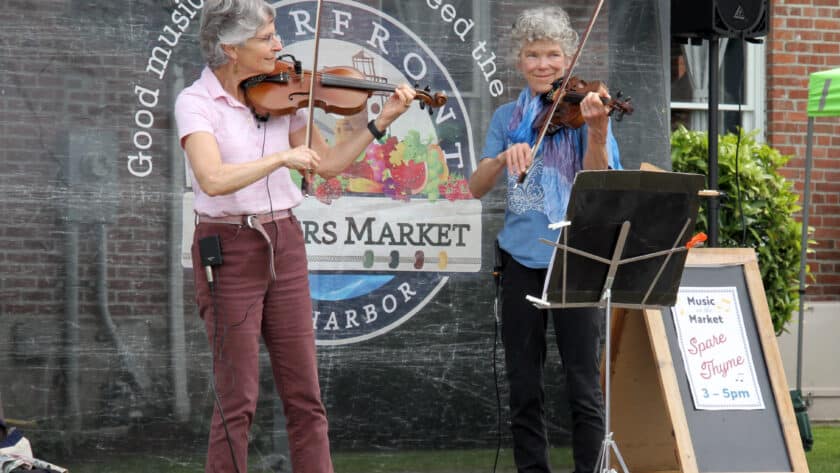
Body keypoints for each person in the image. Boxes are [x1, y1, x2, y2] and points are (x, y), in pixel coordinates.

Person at [173, 1, 416, 472]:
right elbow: (213, 178)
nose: (280, 46)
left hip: (284, 240)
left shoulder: (282, 95)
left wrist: (380, 120)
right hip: (227, 248)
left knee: (306, 396)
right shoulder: (195, 102)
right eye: (267, 38)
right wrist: (280, 159)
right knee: (237, 399)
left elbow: (325, 165)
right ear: (231, 47)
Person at [468, 6, 621, 473]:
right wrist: (503, 157)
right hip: (520, 261)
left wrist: (597, 130)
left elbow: (599, 181)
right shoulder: (506, 118)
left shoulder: (585, 109)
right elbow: (475, 187)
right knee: (523, 385)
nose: (543, 65)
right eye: (533, 55)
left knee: (582, 384)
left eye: (553, 54)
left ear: (568, 59)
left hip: (574, 258)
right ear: (520, 60)